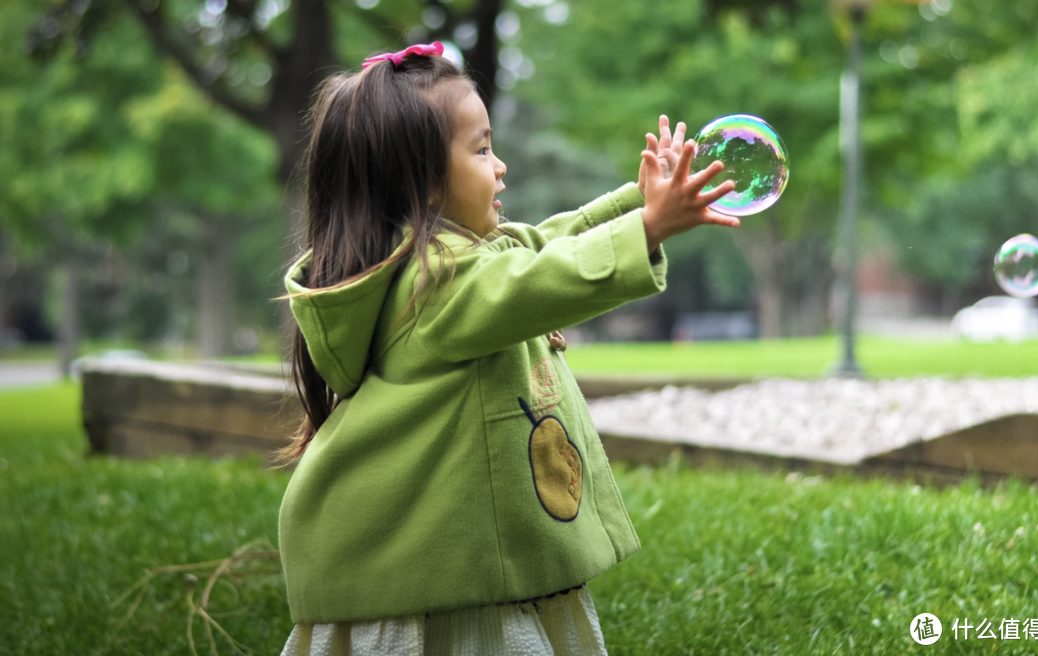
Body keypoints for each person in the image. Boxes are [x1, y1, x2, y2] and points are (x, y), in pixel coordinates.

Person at [268, 41, 739, 656]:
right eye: (482, 148)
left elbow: (542, 243)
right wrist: (647, 228)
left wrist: (636, 203)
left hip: (460, 565)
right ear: (426, 183)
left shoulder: (449, 264)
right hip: (444, 589)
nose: (501, 166)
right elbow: (542, 278)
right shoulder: (435, 284)